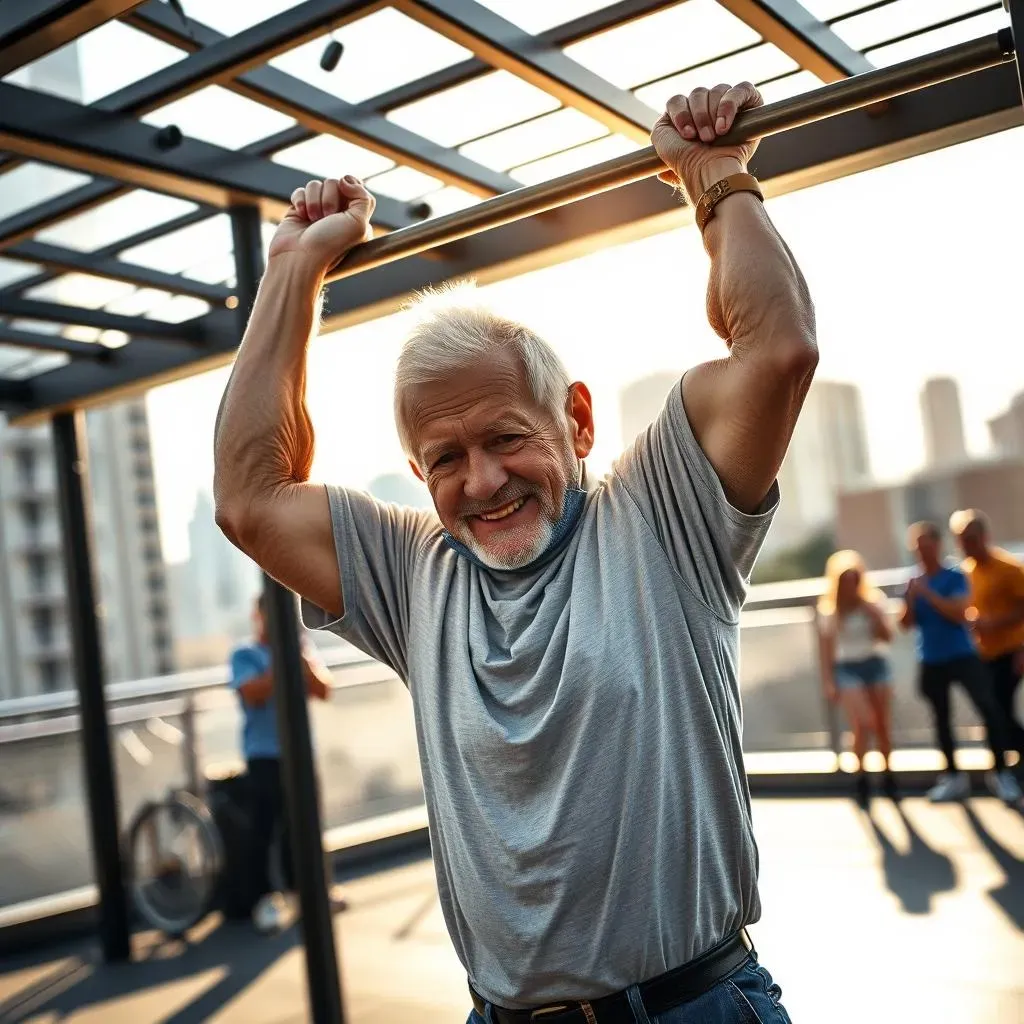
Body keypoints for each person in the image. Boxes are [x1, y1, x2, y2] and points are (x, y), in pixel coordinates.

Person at [215, 82, 816, 1022]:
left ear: (575, 419)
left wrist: (715, 180)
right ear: (419, 473)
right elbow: (251, 497)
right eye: (447, 458)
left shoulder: (662, 514)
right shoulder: (414, 575)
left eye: (506, 438)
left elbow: (775, 351)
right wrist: (294, 269)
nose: (484, 481)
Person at [229, 593, 333, 932]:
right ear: (258, 616)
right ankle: (260, 899)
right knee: (265, 829)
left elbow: (323, 690)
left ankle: (306, 893)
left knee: (303, 826)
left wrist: (299, 657)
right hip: (264, 755)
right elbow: (252, 694)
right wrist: (282, 658)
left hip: (300, 753)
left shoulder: (301, 649)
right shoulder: (244, 654)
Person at [899, 522, 1022, 804]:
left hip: (962, 654)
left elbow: (959, 613)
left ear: (937, 545)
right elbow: (905, 624)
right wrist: (910, 600)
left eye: (927, 546)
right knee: (941, 718)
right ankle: (953, 776)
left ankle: (1002, 773)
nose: (923, 552)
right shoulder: (912, 581)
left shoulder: (955, 574)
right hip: (931, 657)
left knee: (989, 709)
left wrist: (927, 594)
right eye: (918, 548)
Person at [817, 550, 896, 806]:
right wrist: (829, 681)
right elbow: (826, 650)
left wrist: (873, 614)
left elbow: (887, 637)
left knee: (882, 723)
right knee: (863, 723)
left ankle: (888, 774)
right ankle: (861, 776)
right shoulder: (830, 611)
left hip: (875, 663)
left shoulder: (873, 603)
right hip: (848, 668)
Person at [949, 508, 1024, 763]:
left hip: (1011, 649)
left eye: (970, 538)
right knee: (993, 711)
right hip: (983, 652)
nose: (966, 545)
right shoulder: (966, 572)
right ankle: (1004, 767)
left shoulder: (1009, 568)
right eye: (961, 539)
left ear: (984, 537)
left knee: (999, 708)